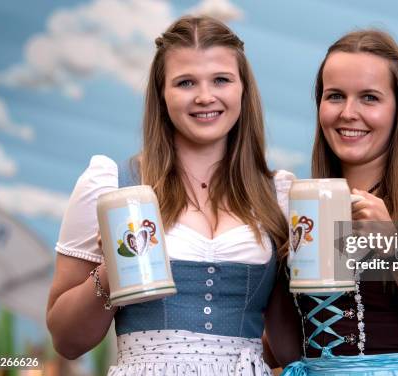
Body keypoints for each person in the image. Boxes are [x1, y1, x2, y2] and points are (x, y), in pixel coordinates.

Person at [46, 15, 294, 375]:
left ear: (243, 89)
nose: (205, 96)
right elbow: (67, 342)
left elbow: (288, 349)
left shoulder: (278, 195)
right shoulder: (111, 184)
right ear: (162, 94)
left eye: (221, 80)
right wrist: (111, 271)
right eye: (185, 82)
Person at [270, 29, 398, 375]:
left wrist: (396, 248)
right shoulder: (295, 206)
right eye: (335, 96)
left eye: (369, 98)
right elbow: (288, 350)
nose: (349, 113)